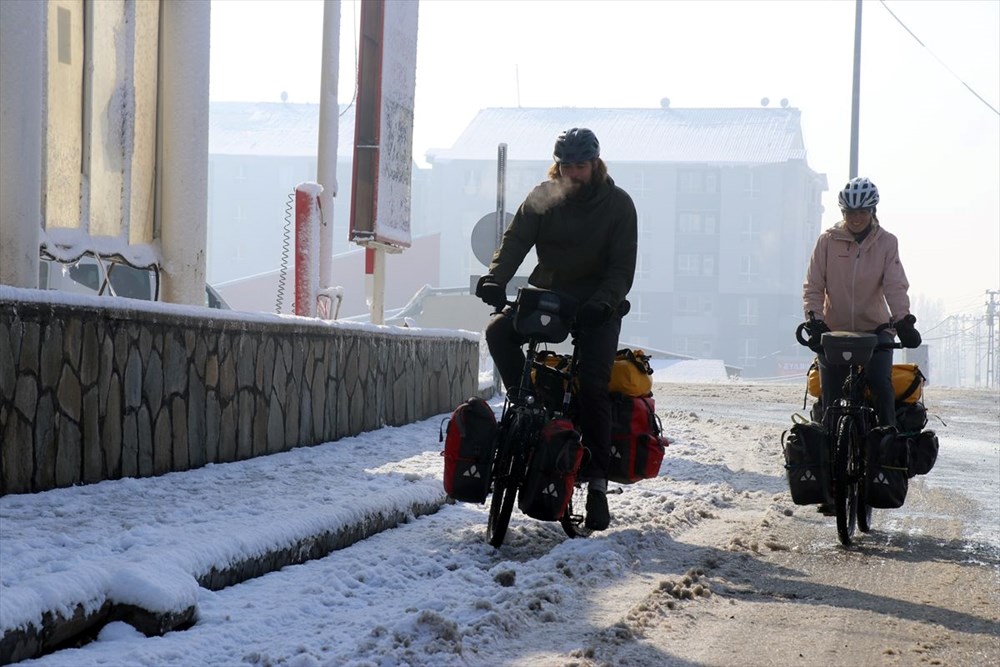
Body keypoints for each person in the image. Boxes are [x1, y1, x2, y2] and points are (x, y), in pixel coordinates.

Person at [474, 127, 638, 531]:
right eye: (566, 166)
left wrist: (603, 302)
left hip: (599, 304)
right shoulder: (543, 197)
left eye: (580, 166)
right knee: (498, 332)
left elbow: (621, 268)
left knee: (593, 385)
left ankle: (597, 485)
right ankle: (532, 407)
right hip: (549, 294)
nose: (572, 174)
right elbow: (515, 241)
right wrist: (496, 278)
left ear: (595, 164)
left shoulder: (618, 205)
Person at [802, 176, 922, 432]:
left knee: (880, 384)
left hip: (875, 332)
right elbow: (813, 286)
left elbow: (895, 285)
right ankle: (827, 454)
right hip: (834, 334)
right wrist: (815, 320)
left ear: (872, 211)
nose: (856, 218)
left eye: (863, 212)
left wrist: (903, 321)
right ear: (843, 212)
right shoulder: (827, 242)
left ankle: (888, 446)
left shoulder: (887, 243)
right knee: (831, 394)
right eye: (850, 212)